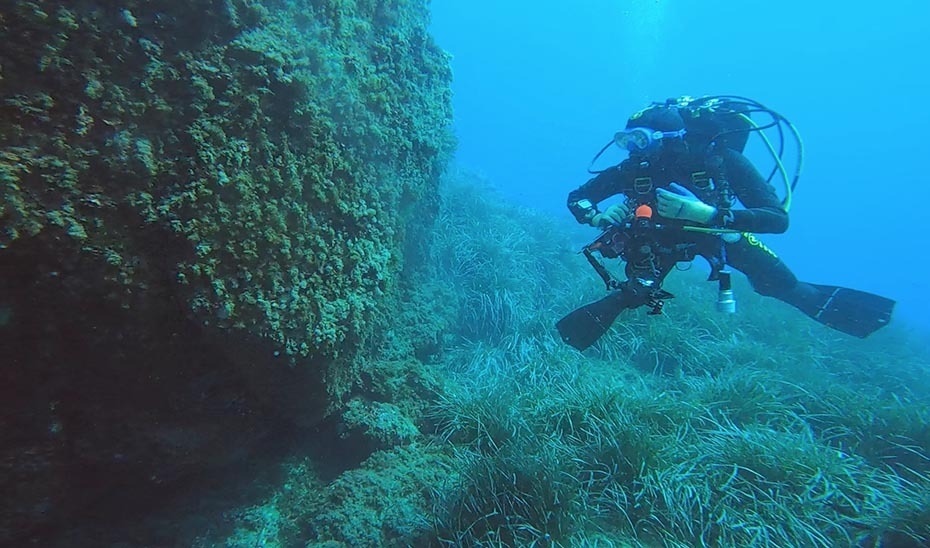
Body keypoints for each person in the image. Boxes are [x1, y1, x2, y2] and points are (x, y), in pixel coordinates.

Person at [556, 96, 895, 351]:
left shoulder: (720, 161)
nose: (632, 149)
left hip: (716, 234)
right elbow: (578, 197)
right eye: (626, 141)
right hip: (658, 240)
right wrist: (597, 215)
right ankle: (571, 340)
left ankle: (852, 314)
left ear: (669, 136)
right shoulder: (631, 169)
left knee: (784, 285)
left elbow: (777, 219)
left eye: (640, 140)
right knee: (634, 293)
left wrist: (707, 215)